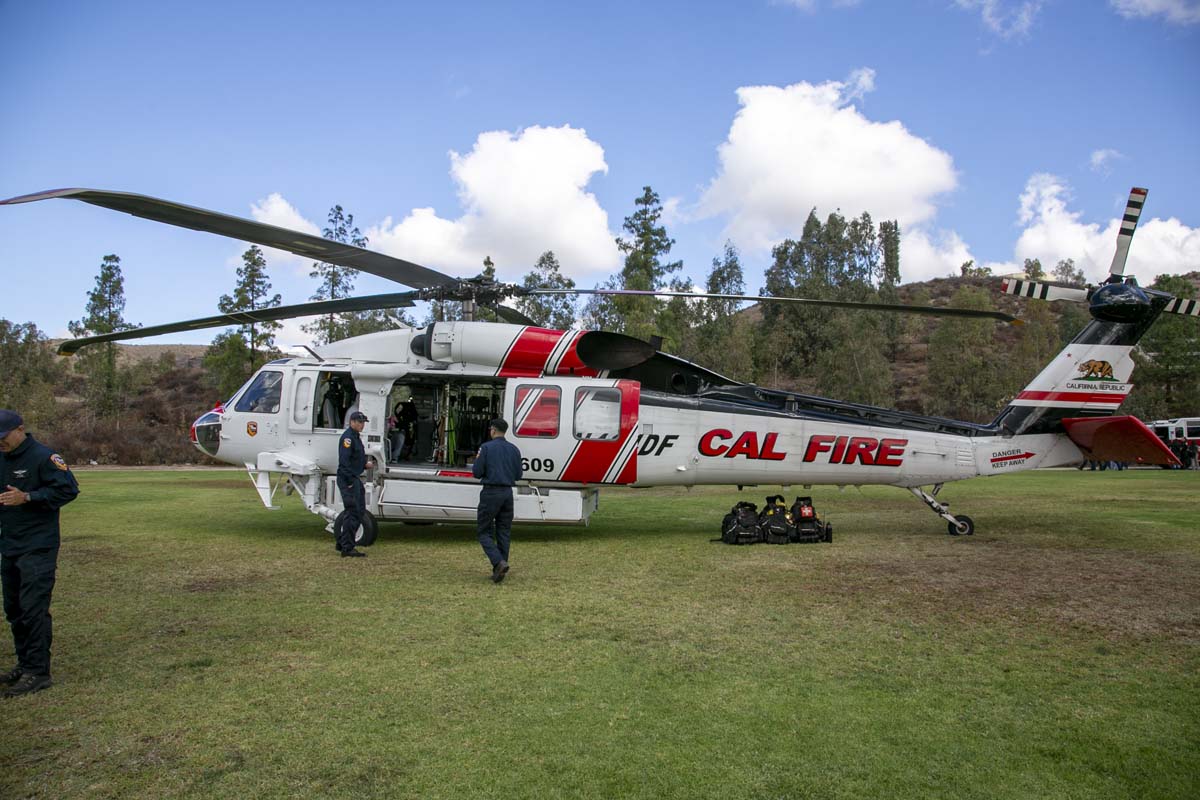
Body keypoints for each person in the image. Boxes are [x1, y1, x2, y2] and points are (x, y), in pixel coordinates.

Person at [0, 410, 79, 698]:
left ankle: (38, 672)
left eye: (4, 437)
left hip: (38, 545)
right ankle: (24, 664)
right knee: (15, 610)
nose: (1, 443)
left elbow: (68, 490)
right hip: (9, 544)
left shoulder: (44, 457)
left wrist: (29, 497)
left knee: (32, 609)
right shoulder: (2, 458)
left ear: (20, 429)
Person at [472, 418, 523, 583]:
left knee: (484, 531)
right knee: (503, 531)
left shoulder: (486, 448)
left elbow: (477, 472)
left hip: (491, 492)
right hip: (508, 493)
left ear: (493, 430)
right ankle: (500, 569)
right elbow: (518, 475)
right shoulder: (514, 449)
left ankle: (498, 562)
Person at [335, 411, 373, 558]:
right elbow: (344, 462)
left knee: (359, 511)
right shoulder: (348, 438)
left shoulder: (356, 437)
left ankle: (342, 542)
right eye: (359, 422)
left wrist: (365, 464)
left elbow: (355, 459)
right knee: (353, 512)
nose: (362, 425)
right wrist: (350, 482)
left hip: (353, 477)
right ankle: (348, 548)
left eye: (363, 422)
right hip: (348, 479)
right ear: (352, 422)